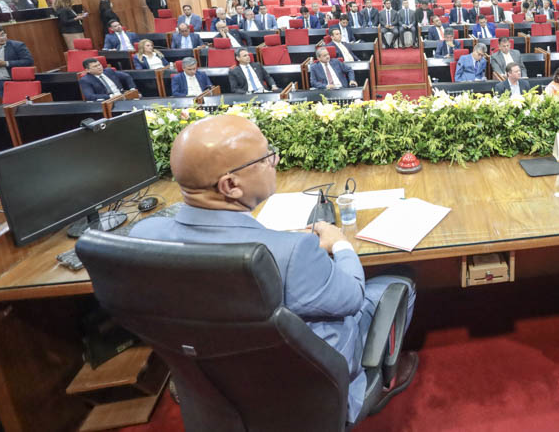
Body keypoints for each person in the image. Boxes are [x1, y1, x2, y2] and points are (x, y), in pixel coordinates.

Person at [131, 114, 418, 421]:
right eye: (267, 157)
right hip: (310, 388)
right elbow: (352, 297)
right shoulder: (291, 255)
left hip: (213, 385)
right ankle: (383, 379)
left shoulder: (143, 237)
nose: (275, 161)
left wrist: (280, 242)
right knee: (399, 280)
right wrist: (339, 243)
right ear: (231, 185)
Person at [0, 24, 34, 96]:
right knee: (7, 105)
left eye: (3, 34)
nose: (1, 38)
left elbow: (29, 61)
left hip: (15, 80)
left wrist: (6, 63)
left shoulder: (17, 45)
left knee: (22, 104)